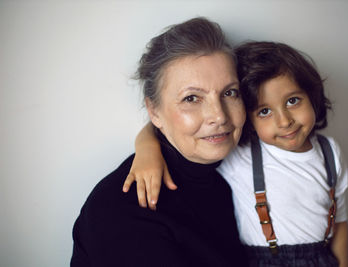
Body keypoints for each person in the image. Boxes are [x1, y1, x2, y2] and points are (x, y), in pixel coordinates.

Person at [123, 42, 348, 266]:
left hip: (322, 258)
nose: (284, 121)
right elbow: (162, 125)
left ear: (312, 95)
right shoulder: (241, 154)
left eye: (293, 101)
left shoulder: (330, 152)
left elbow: (339, 221)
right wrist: (146, 149)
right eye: (264, 111)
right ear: (249, 117)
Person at [71, 17, 248, 267]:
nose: (219, 116)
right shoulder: (123, 209)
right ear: (154, 111)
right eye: (191, 98)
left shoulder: (242, 169)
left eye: (230, 93)